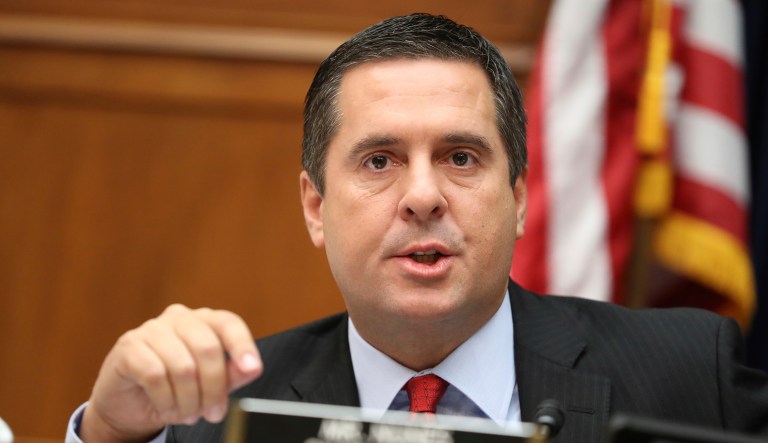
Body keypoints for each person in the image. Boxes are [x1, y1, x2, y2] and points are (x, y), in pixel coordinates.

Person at [67, 13, 768, 443]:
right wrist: (108, 433)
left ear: (519, 197)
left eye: (461, 157)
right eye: (380, 161)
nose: (424, 196)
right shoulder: (209, 412)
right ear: (316, 206)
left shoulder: (689, 371)